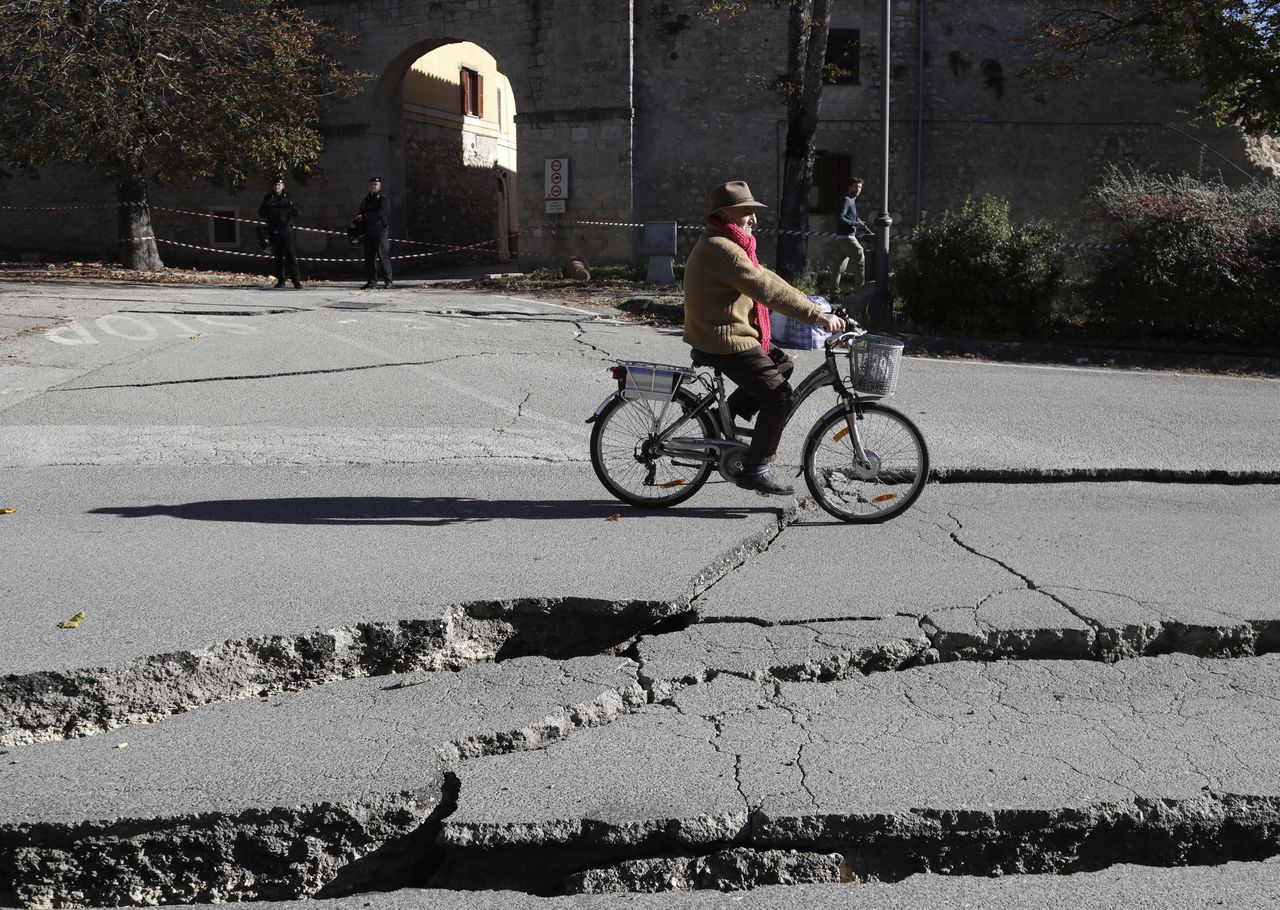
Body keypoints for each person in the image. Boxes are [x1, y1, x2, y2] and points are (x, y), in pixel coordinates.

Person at [683, 180, 846, 496]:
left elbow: (767, 278)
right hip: (723, 338)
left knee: (781, 364)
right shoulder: (724, 250)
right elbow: (766, 290)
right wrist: (816, 316)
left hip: (725, 332)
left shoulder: (730, 243)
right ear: (726, 213)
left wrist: (814, 303)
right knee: (779, 397)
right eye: (748, 212)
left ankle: (720, 422)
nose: (754, 219)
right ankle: (755, 468)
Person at [258, 176, 302, 289]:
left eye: (279, 185)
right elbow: (261, 213)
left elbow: (297, 212)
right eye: (275, 185)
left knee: (291, 256)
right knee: (277, 257)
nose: (277, 187)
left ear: (283, 186)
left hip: (286, 231)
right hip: (274, 231)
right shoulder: (268, 197)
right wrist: (266, 204)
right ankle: (280, 281)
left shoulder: (289, 197)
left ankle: (296, 281)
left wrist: (291, 204)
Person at [354, 176, 392, 289]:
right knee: (369, 258)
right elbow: (360, 213)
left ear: (380, 186)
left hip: (380, 231)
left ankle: (388, 281)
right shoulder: (365, 201)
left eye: (375, 184)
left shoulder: (382, 199)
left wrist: (364, 216)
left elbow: (380, 213)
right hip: (368, 232)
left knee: (383, 256)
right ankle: (371, 282)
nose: (373, 186)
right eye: (371, 184)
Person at [834, 177, 868, 295]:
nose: (858, 189)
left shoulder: (852, 201)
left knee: (839, 266)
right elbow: (840, 217)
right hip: (847, 237)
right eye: (855, 186)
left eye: (860, 187)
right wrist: (855, 224)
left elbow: (855, 218)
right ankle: (860, 293)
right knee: (860, 257)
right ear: (850, 187)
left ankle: (834, 293)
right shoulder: (847, 200)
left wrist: (866, 229)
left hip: (842, 238)